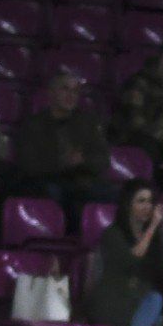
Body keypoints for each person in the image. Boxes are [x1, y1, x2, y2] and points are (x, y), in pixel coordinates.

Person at [82, 181, 163, 326]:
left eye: (150, 201)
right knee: (156, 303)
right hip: (113, 302)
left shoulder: (155, 239)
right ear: (128, 205)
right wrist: (153, 227)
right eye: (141, 201)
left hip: (141, 304)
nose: (147, 206)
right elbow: (130, 261)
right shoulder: (112, 234)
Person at [11, 70, 112, 216]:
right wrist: (63, 162)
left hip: (81, 181)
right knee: (54, 193)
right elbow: (27, 164)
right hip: (48, 181)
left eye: (75, 91)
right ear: (51, 92)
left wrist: (83, 160)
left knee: (112, 194)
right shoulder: (34, 125)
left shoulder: (88, 123)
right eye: (65, 89)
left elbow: (103, 159)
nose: (71, 95)